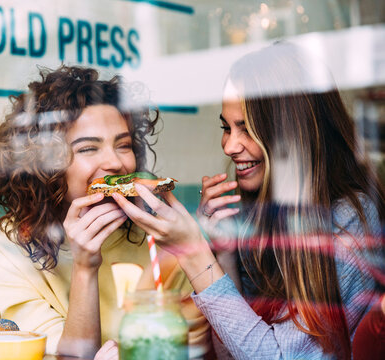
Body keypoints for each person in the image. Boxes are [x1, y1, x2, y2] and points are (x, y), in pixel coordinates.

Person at [113, 42, 385, 359]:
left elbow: (277, 356)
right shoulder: (259, 212)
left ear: (291, 133)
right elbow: (234, 353)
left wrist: (194, 254)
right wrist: (224, 248)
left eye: (246, 128)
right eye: (226, 128)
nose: (229, 146)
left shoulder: (351, 216)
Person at [0, 65, 210, 358]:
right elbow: (69, 356)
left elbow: (199, 349)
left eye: (123, 145)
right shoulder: (1, 247)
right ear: (44, 165)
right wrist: (85, 267)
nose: (114, 163)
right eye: (88, 149)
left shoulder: (160, 241)